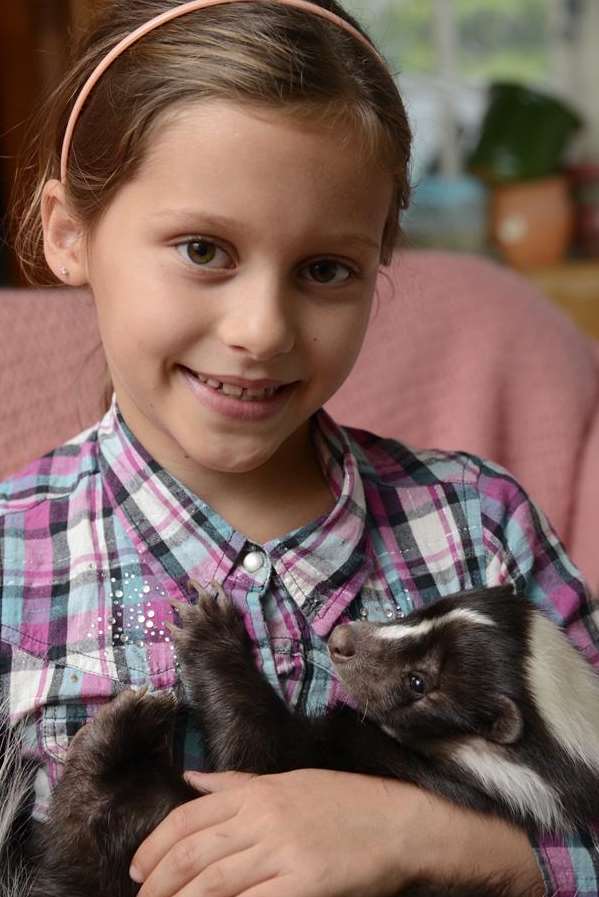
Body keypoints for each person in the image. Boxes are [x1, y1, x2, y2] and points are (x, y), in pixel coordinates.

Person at [1, 1, 597, 895]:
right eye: (203, 249)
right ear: (68, 232)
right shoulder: (13, 558)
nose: (262, 328)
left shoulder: (482, 524)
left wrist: (437, 840)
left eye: (326, 269)